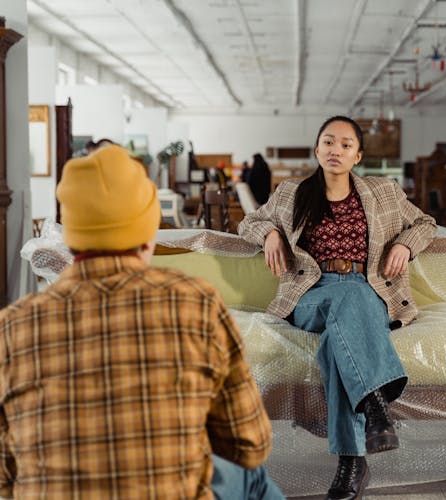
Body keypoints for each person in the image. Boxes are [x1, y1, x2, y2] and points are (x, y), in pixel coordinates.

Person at [0, 145, 284, 500]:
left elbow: (5, 471)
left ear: (72, 234)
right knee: (252, 478)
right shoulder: (195, 304)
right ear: (149, 233)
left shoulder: (12, 326)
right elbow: (249, 445)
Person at [237, 116, 436, 499]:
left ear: (357, 156)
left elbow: (426, 223)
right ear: (317, 149)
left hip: (369, 288)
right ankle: (376, 404)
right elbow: (249, 222)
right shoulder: (291, 192)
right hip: (311, 291)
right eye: (329, 142)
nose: (336, 150)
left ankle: (351, 463)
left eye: (346, 145)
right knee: (347, 298)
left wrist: (404, 244)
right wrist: (271, 233)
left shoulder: (384, 193)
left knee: (335, 342)